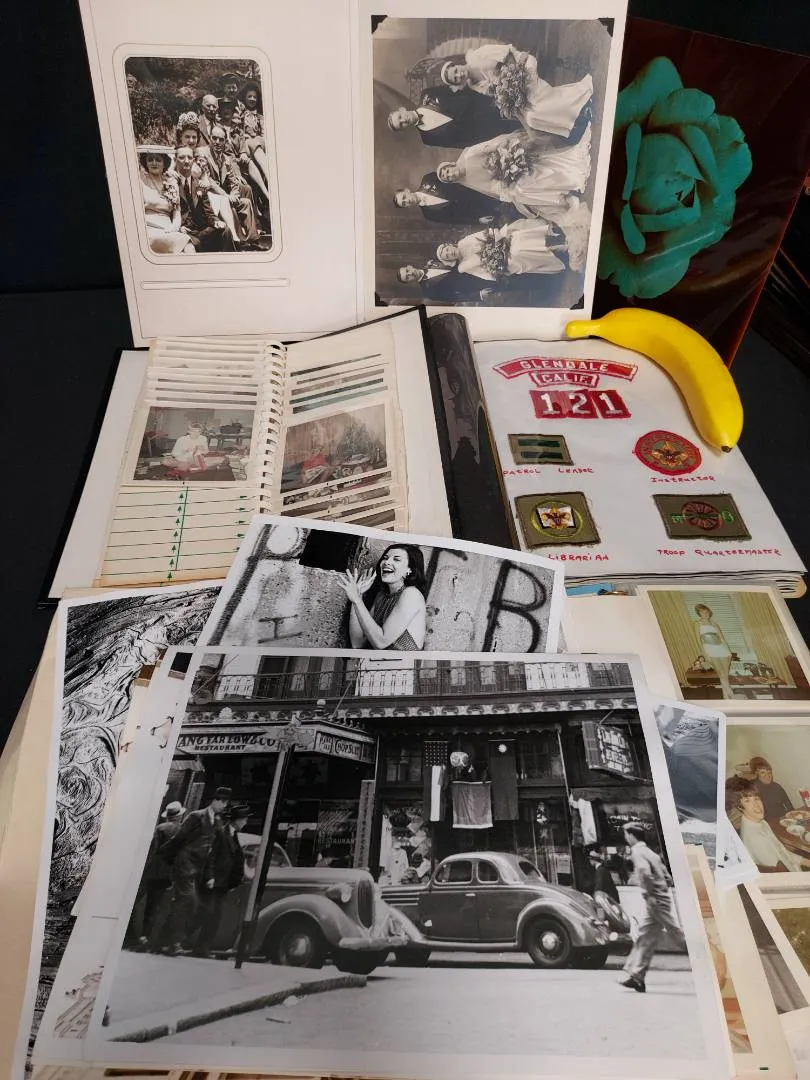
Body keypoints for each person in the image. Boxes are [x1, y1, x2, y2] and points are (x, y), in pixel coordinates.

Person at [440, 46, 593, 140]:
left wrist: (514, 78)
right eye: (456, 78)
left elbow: (508, 55)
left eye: (456, 71)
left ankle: (581, 104)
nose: (459, 74)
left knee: (537, 100)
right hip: (515, 85)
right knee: (531, 117)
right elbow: (496, 93)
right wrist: (510, 96)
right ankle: (573, 120)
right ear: (458, 83)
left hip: (521, 65)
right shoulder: (473, 85)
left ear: (456, 65)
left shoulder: (477, 56)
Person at [161, 787, 231, 956]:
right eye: (223, 801)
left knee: (187, 903)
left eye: (226, 802)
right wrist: (168, 857)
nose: (224, 805)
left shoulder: (217, 822)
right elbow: (179, 838)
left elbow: (211, 850)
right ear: (214, 800)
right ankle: (173, 943)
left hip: (198, 868)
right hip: (185, 863)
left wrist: (209, 875)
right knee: (187, 900)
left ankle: (164, 941)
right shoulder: (196, 816)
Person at [619, 823, 686, 993]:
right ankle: (637, 977)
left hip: (654, 900)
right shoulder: (651, 853)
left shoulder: (637, 852)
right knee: (645, 936)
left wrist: (648, 893)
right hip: (660, 898)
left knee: (675, 933)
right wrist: (660, 889)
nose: (625, 838)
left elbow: (644, 872)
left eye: (626, 834)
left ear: (632, 835)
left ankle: (707, 957)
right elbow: (667, 877)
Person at [337, 544, 428, 650]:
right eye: (385, 558)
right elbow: (357, 643)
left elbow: (380, 642)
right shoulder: (382, 595)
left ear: (410, 570)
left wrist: (356, 600)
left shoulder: (411, 594)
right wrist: (358, 595)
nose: (387, 562)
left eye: (396, 559)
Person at [387, 83, 520, 149]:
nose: (404, 120)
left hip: (485, 105)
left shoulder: (427, 95)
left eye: (400, 117)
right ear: (405, 129)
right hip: (485, 132)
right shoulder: (427, 139)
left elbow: (459, 90)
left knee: (521, 106)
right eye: (401, 125)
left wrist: (488, 98)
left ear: (402, 109)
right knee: (519, 127)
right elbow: (458, 143)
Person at [194, 802, 249, 957]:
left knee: (214, 916)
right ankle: (187, 942)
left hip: (223, 884)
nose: (245, 823)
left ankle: (202, 946)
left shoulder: (234, 836)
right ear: (237, 820)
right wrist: (209, 876)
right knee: (208, 914)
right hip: (214, 882)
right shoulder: (221, 833)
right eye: (244, 820)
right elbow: (211, 856)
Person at [129, 801, 185, 949]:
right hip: (167, 874)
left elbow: (152, 850)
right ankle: (146, 938)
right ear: (179, 816)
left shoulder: (160, 828)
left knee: (135, 901)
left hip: (151, 871)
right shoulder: (183, 830)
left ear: (168, 816)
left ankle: (132, 937)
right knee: (154, 907)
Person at [435, 219, 568, 281]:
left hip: (499, 241)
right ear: (450, 260)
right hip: (502, 260)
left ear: (450, 245)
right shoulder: (463, 267)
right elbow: (483, 272)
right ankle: (556, 252)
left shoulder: (463, 242)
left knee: (517, 236)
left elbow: (484, 234)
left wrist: (496, 236)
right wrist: (496, 266)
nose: (450, 253)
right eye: (448, 256)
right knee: (517, 252)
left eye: (447, 250)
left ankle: (553, 236)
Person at [726, 778, 805, 872]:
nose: (756, 805)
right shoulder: (755, 838)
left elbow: (783, 852)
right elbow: (781, 873)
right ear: (739, 807)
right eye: (747, 801)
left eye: (756, 798)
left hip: (793, 868)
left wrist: (806, 862)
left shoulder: (759, 822)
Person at [393, 173, 522, 227]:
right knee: (514, 212)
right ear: (407, 207)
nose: (407, 201)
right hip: (477, 211)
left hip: (476, 191)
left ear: (407, 190)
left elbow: (455, 177)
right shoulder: (428, 214)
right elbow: (455, 220)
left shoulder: (428, 179)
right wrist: (477, 220)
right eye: (404, 204)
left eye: (404, 197)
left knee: (512, 194)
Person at [174, 146, 234, 252]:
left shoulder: (200, 184)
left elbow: (209, 212)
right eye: (182, 157)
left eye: (189, 158)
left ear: (193, 160)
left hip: (202, 231)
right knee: (194, 243)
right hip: (184, 232)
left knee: (225, 231)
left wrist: (216, 221)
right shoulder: (171, 184)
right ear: (175, 160)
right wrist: (178, 227)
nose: (186, 161)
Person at [208, 125, 259, 245]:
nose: (217, 142)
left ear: (225, 141)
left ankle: (253, 240)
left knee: (246, 202)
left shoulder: (226, 158)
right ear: (210, 138)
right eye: (214, 138)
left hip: (226, 197)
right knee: (231, 208)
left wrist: (234, 194)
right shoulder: (204, 154)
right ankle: (239, 241)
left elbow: (233, 181)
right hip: (212, 197)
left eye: (221, 139)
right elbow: (208, 180)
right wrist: (226, 195)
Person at [138, 147, 193, 255]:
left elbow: (177, 214)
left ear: (164, 163)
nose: (154, 163)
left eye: (158, 160)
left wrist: (173, 229)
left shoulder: (172, 183)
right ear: (146, 163)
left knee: (189, 247)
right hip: (148, 229)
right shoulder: (140, 181)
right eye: (150, 160)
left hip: (168, 229)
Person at [396, 262, 493, 304]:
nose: (410, 273)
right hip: (476, 285)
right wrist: (478, 295)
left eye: (407, 271)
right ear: (409, 282)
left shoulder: (431, 262)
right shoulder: (429, 292)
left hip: (479, 267)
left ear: (409, 266)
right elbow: (454, 298)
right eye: (407, 277)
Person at [694, 604, 734, 699]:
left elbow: (722, 638)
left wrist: (728, 651)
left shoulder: (714, 624)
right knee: (720, 672)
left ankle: (725, 695)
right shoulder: (697, 623)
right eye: (702, 612)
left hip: (721, 648)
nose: (705, 613)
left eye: (706, 611)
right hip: (709, 648)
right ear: (699, 613)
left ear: (709, 612)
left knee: (725, 673)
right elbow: (698, 640)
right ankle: (731, 694)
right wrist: (704, 654)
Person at [749, 757, 795, 822]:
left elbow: (789, 806)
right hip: (767, 823)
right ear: (756, 773)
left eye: (769, 772)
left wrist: (795, 818)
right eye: (762, 772)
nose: (767, 776)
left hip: (784, 819)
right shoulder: (753, 790)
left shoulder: (777, 786)